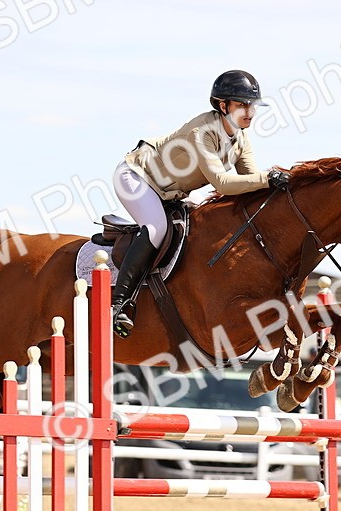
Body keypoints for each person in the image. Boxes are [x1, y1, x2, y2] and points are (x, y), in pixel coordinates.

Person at [110, 69, 290, 337]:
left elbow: (251, 182)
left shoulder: (240, 138)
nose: (249, 112)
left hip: (171, 192)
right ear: (223, 105)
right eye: (242, 105)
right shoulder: (202, 130)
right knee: (156, 227)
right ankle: (119, 303)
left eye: (252, 105)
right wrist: (268, 178)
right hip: (137, 177)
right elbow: (223, 184)